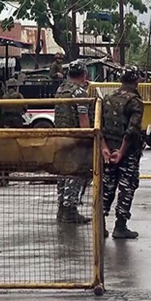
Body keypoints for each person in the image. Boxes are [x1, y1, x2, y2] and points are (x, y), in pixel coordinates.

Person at [100, 66, 144, 239]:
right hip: (127, 153)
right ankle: (120, 226)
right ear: (136, 81)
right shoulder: (135, 101)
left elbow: (99, 126)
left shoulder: (108, 98)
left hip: (108, 151)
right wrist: (122, 152)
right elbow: (132, 130)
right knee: (127, 187)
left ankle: (100, 225)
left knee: (107, 186)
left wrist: (105, 148)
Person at [54, 62, 91, 223]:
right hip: (75, 138)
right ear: (84, 75)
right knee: (74, 174)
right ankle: (70, 210)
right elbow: (83, 118)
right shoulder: (79, 92)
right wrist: (89, 138)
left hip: (59, 137)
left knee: (62, 173)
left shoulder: (61, 90)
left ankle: (62, 208)